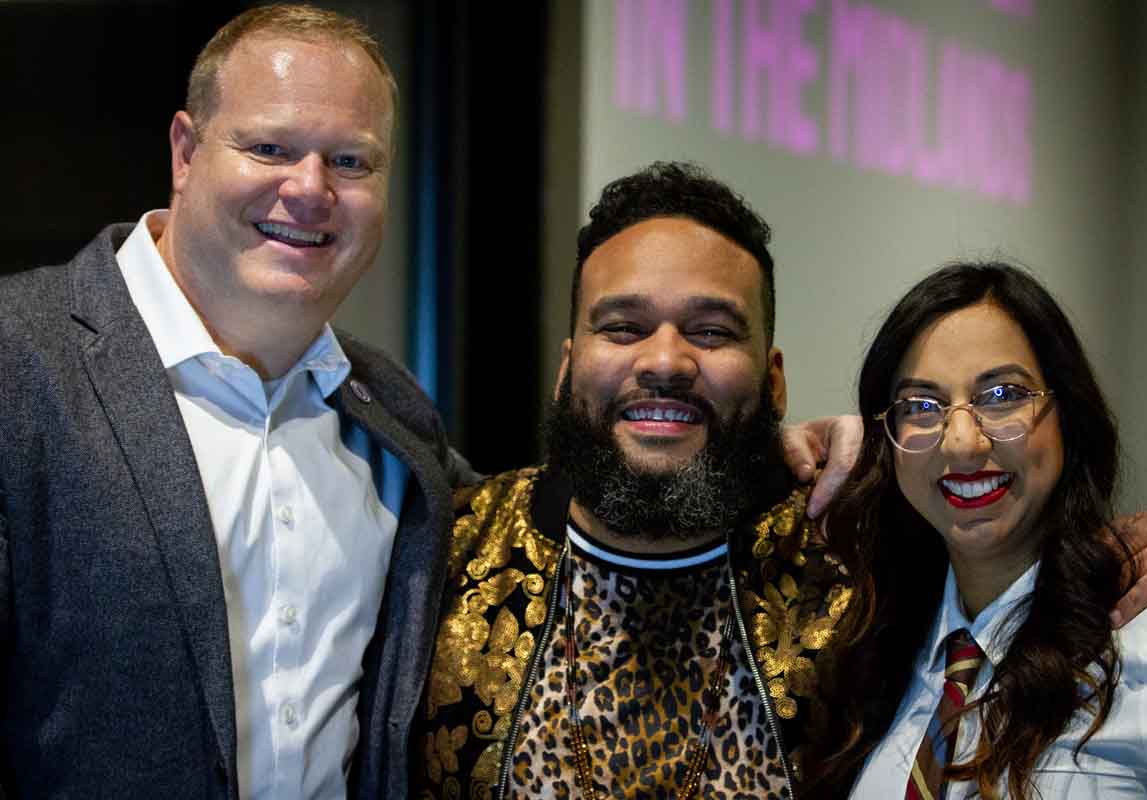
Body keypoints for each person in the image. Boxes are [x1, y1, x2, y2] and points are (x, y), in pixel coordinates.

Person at [0, 9, 862, 799]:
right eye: (268, 148)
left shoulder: (391, 420)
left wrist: (799, 446)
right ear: (186, 151)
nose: (308, 188)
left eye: (350, 160)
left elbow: (601, 493)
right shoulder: (18, 364)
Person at [409, 164, 1147, 800]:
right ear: (565, 366)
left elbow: (1009, 546)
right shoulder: (431, 554)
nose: (663, 359)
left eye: (713, 331)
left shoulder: (853, 562)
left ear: (775, 381)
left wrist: (1124, 554)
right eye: (621, 326)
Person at [808, 262, 1147, 798]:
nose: (962, 444)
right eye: (923, 406)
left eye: (1002, 396)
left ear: (1069, 415)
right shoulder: (870, 656)